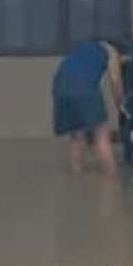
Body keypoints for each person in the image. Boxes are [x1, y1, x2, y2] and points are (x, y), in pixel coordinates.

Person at [52, 38, 124, 173]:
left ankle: (76, 174)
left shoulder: (82, 47)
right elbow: (115, 81)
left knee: (76, 135)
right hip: (84, 90)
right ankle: (112, 178)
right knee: (101, 135)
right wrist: (120, 104)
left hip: (60, 88)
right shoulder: (111, 52)